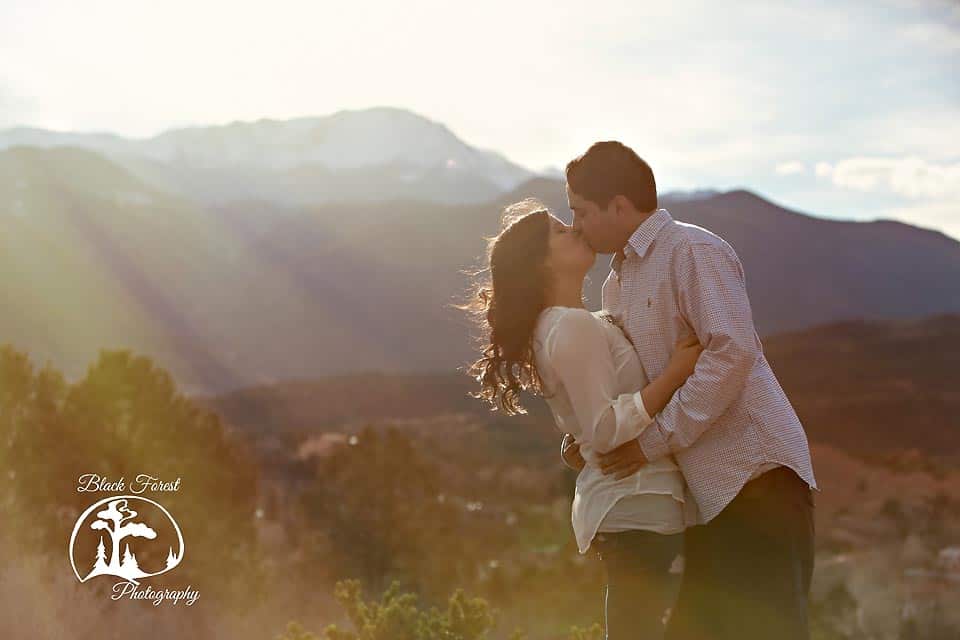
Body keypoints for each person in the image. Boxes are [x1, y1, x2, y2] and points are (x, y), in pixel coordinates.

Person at [564, 140, 818, 640]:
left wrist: (651, 444)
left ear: (619, 205)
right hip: (704, 493)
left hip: (757, 474)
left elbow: (733, 351)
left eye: (581, 212)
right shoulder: (615, 285)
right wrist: (592, 433)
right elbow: (634, 381)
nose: (576, 226)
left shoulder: (693, 250)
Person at [461, 199, 704, 640]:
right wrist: (675, 374)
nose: (574, 229)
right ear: (540, 266)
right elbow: (605, 430)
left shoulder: (570, 323)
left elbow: (587, 422)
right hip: (636, 504)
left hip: (635, 507)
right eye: (558, 231)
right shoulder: (571, 325)